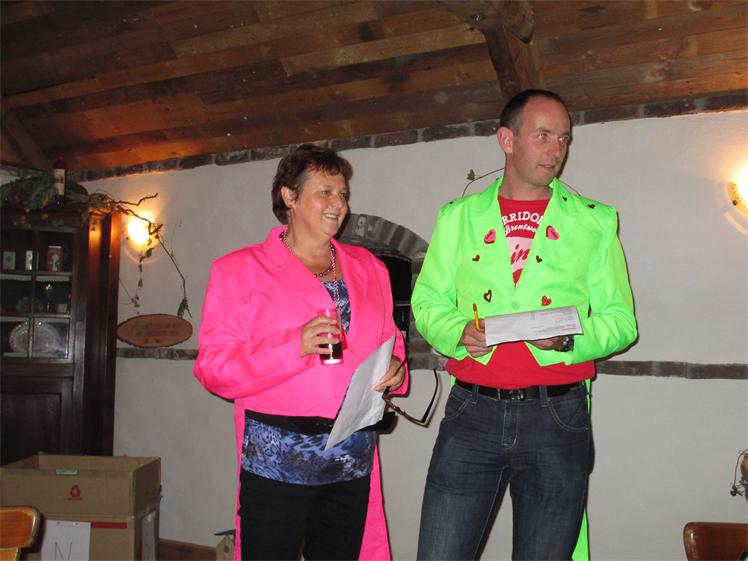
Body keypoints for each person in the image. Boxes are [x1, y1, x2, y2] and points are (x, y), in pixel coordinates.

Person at [411, 89, 637, 560]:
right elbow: (427, 301)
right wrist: (457, 332)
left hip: (557, 413)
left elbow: (621, 322)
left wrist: (569, 340)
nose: (556, 150)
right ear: (507, 140)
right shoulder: (458, 218)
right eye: (543, 136)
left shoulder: (594, 222)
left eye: (564, 139)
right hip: (471, 411)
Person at [194, 144, 408, 561]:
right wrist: (294, 347)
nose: (338, 204)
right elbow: (214, 368)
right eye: (325, 192)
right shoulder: (239, 270)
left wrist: (397, 367)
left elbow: (390, 339)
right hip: (277, 460)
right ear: (289, 196)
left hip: (351, 457)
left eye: (342, 193)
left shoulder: (370, 267)